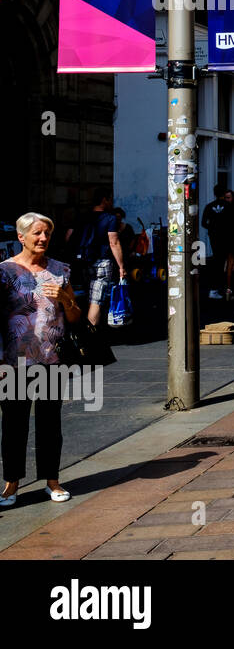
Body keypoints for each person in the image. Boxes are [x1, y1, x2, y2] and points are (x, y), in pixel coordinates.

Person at [0, 212, 79, 506]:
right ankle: (11, 484)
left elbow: (75, 315)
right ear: (21, 237)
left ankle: (52, 481)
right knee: (13, 425)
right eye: (36, 233)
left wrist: (65, 298)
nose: (43, 238)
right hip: (13, 364)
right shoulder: (4, 272)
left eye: (47, 233)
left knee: (50, 425)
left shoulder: (61, 270)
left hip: (51, 360)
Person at [78, 188, 126, 331]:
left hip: (84, 260)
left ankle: (86, 328)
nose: (111, 202)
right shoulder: (109, 218)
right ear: (104, 200)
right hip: (102, 261)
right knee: (96, 300)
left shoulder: (83, 216)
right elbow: (114, 242)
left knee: (87, 296)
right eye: (110, 199)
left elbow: (69, 236)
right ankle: (91, 334)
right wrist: (121, 266)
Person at [201, 185, 232, 301]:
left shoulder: (209, 206)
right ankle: (218, 288)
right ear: (224, 193)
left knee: (217, 261)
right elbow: (232, 221)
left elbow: (203, 223)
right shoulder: (229, 206)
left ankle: (215, 289)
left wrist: (212, 228)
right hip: (226, 237)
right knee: (223, 262)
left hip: (214, 237)